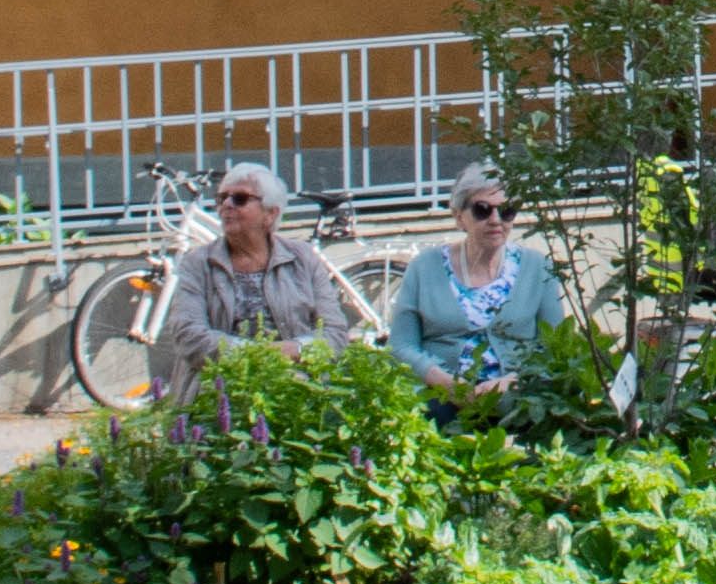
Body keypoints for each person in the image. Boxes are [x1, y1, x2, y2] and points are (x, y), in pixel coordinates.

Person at [147, 164, 353, 416]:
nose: (227, 205)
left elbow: (335, 335)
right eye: (222, 198)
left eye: (240, 199)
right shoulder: (197, 264)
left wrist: (295, 349)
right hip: (215, 395)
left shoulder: (303, 260)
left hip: (296, 393)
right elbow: (188, 335)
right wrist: (255, 355)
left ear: (270, 214)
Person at [385, 177, 555, 409]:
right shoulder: (424, 267)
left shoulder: (538, 267)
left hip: (517, 397)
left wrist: (510, 382)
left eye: (506, 210)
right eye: (482, 210)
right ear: (459, 217)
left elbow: (552, 348)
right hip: (440, 396)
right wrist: (446, 383)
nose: (495, 220)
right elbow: (400, 346)